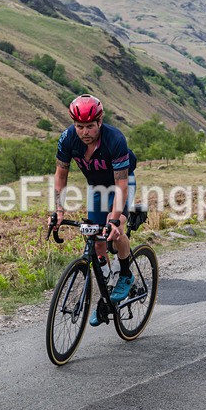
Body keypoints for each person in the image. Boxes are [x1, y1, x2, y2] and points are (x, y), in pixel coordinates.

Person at [51, 94, 137, 326]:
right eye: (79, 126)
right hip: (97, 187)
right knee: (95, 239)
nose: (84, 132)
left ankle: (126, 275)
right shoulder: (68, 139)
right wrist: (59, 210)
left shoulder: (115, 140)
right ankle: (107, 287)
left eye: (90, 126)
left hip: (120, 184)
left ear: (100, 122)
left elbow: (120, 186)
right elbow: (61, 176)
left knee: (114, 229)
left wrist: (115, 219)